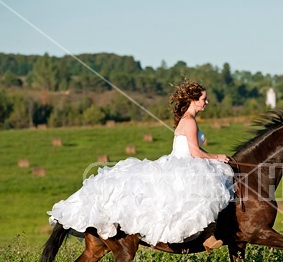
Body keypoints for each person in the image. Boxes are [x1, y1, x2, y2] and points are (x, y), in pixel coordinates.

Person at [47, 80, 234, 251]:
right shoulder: (190, 121)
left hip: (183, 162)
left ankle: (208, 234)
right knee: (208, 189)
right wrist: (217, 156)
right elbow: (195, 153)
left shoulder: (185, 120)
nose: (206, 102)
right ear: (194, 100)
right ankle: (207, 236)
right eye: (204, 99)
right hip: (186, 164)